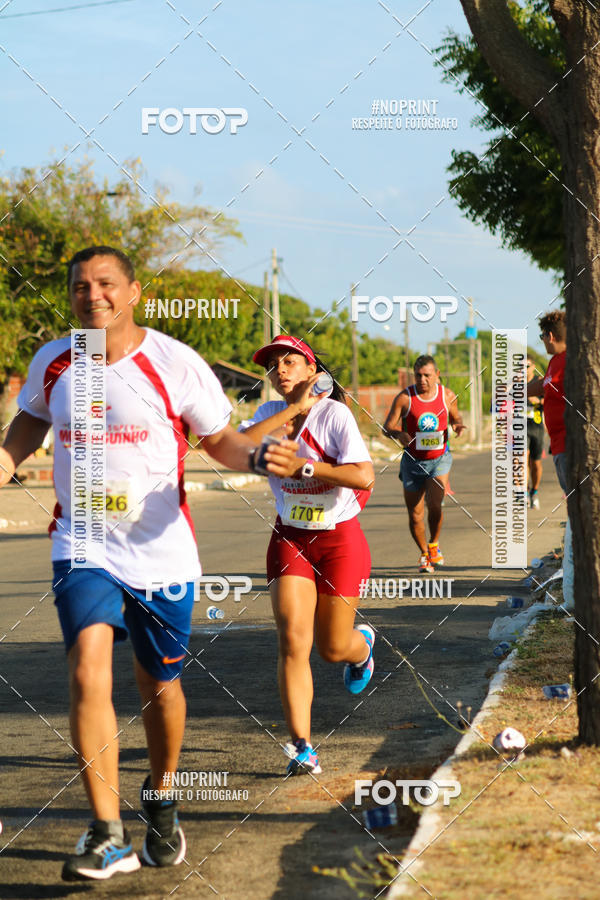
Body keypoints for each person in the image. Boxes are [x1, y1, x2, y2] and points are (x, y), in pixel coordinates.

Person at [0, 246, 299, 882]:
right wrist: (5, 459)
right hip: (81, 540)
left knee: (158, 688)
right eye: (81, 286)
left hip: (161, 548)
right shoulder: (53, 362)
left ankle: (161, 796)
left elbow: (219, 438)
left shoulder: (172, 362)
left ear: (133, 291)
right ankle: (107, 833)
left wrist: (255, 458)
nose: (92, 296)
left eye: (106, 284)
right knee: (87, 667)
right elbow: (27, 422)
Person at [240, 335, 375, 776]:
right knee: (293, 641)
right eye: (274, 364)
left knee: (333, 648)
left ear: (313, 371)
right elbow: (236, 450)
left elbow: (364, 476)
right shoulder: (267, 415)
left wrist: (308, 467)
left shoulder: (334, 415)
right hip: (291, 539)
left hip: (339, 539)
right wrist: (293, 410)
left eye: (291, 361)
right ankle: (302, 747)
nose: (281, 369)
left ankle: (361, 649)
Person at [383, 355, 466, 573]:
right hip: (412, 462)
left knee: (435, 504)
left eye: (427, 375)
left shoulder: (447, 396)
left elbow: (456, 417)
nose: (422, 380)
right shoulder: (404, 398)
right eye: (418, 375)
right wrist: (398, 433)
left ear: (436, 375)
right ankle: (424, 554)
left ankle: (434, 544)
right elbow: (386, 427)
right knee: (415, 513)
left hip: (439, 460)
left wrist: (458, 425)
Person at [527, 310, 572, 607]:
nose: (542, 340)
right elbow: (541, 387)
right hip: (559, 444)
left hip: (571, 445)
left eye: (543, 335)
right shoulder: (555, 362)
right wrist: (511, 389)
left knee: (577, 504)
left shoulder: (570, 361)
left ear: (551, 336)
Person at [526, 357, 544, 509]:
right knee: (522, 459)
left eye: (527, 366)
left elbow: (550, 398)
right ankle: (524, 492)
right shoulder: (515, 384)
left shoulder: (539, 381)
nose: (523, 369)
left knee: (536, 462)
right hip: (519, 428)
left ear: (533, 367)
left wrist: (537, 401)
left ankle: (534, 491)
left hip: (536, 427)